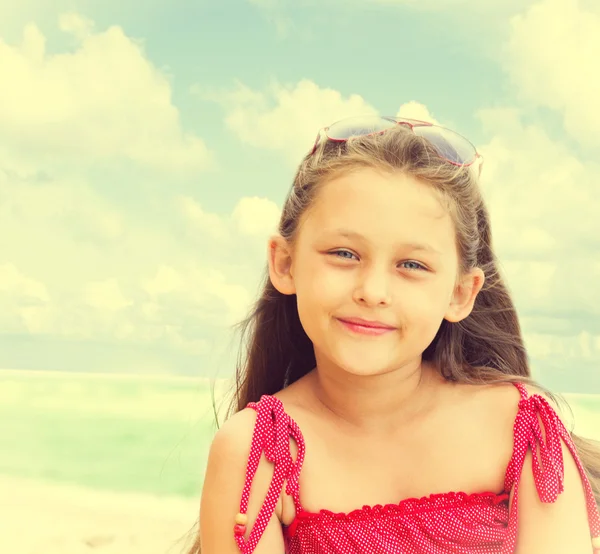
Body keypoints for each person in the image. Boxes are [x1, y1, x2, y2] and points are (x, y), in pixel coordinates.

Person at [188, 116, 600, 553]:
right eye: (344, 254)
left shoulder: (519, 428)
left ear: (461, 294)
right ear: (285, 263)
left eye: (412, 265)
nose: (373, 292)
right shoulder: (259, 454)